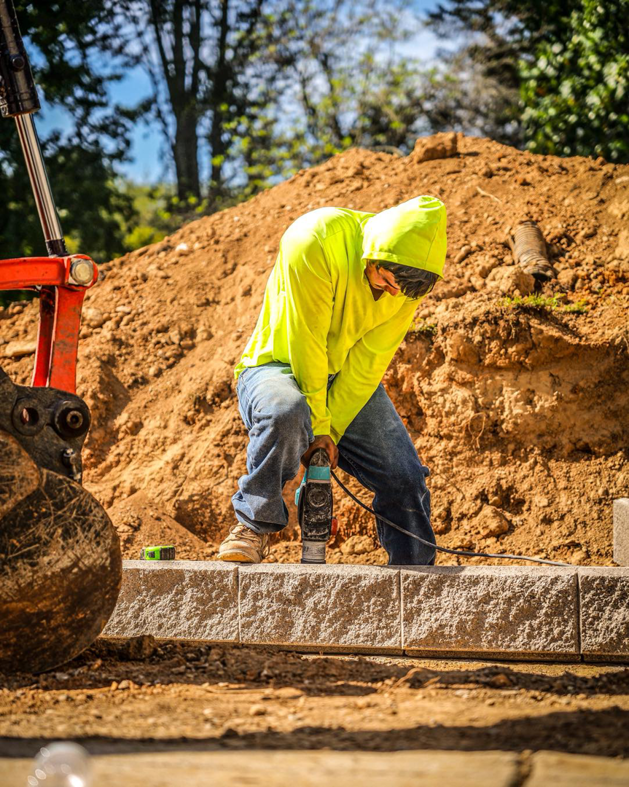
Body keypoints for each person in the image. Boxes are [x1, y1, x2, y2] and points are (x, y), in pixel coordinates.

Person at [217, 195, 447, 565]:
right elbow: (307, 341)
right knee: (286, 412)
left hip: (339, 375)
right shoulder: (315, 239)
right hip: (278, 365)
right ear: (374, 254)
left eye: (400, 291)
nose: (392, 294)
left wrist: (329, 436)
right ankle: (253, 527)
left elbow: (368, 363)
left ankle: (416, 569)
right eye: (386, 281)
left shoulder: (407, 281)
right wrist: (319, 427)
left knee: (403, 477)